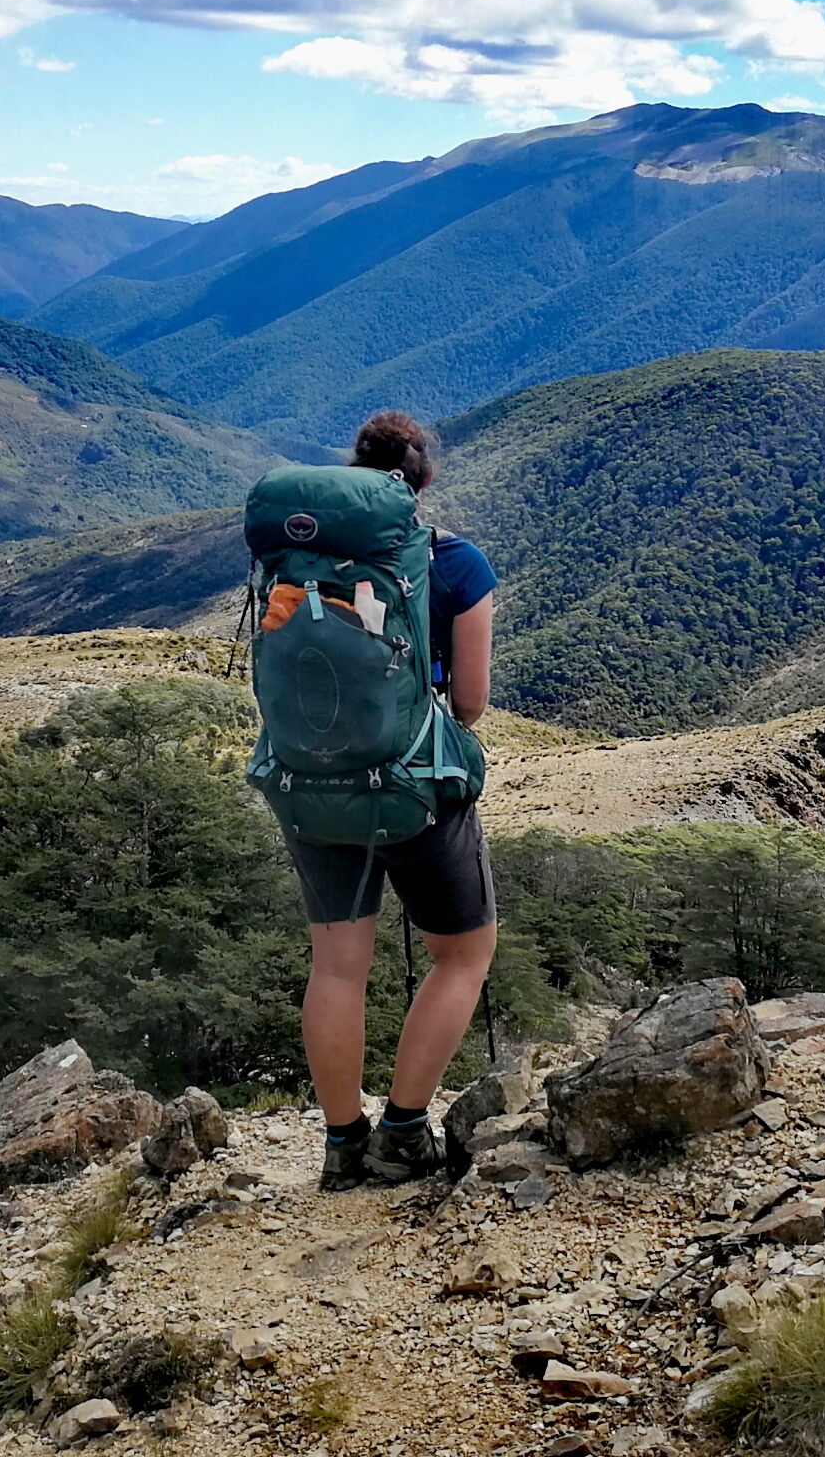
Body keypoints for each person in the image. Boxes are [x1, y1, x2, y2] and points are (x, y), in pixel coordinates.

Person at [285, 409, 498, 1190]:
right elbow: (469, 702)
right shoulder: (457, 565)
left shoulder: (301, 563)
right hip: (412, 786)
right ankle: (405, 1131)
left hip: (307, 781)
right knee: (464, 953)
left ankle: (342, 1144)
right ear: (424, 479)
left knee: (337, 968)